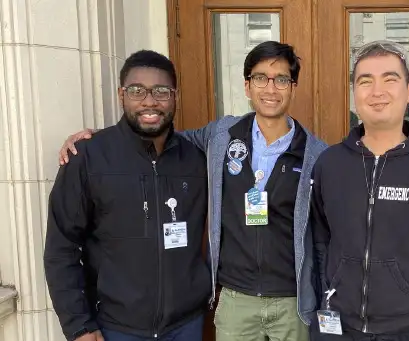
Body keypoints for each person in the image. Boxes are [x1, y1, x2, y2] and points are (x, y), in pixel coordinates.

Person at [58, 41, 327, 341]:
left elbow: (324, 238)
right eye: (261, 78)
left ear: (293, 86)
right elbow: (161, 136)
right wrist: (99, 139)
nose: (271, 89)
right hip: (236, 298)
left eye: (281, 80)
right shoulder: (221, 136)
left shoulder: (317, 155)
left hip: (291, 302)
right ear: (247, 86)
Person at [44, 50, 210, 341]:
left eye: (161, 91)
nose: (149, 101)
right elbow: (62, 248)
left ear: (175, 96)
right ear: (122, 95)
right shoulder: (88, 157)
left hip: (186, 326)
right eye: (137, 91)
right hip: (115, 328)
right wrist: (79, 325)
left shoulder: (197, 159)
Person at [308, 40, 409, 341]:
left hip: (408, 329)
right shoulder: (329, 164)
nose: (377, 91)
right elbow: (320, 238)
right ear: (354, 94)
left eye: (390, 79)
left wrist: (404, 284)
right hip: (338, 328)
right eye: (365, 81)